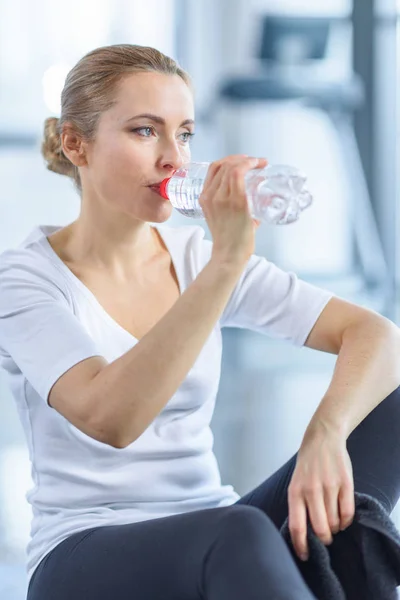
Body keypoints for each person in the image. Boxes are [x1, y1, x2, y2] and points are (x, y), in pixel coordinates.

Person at [0, 44, 400, 600]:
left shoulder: (192, 257)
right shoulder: (26, 279)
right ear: (76, 143)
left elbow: (378, 336)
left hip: (215, 529)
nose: (174, 159)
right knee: (239, 532)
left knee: (383, 414)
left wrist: (325, 434)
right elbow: (112, 418)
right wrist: (226, 262)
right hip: (87, 550)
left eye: (184, 134)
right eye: (145, 131)